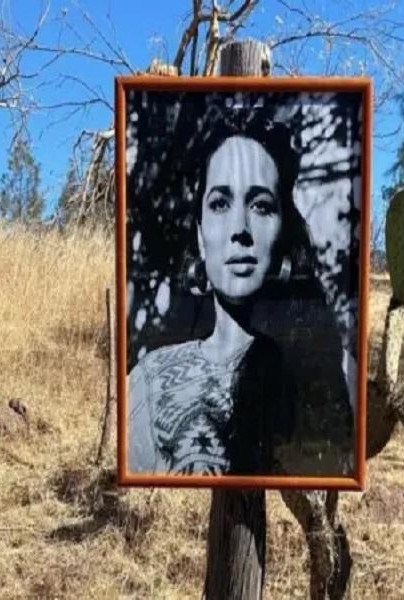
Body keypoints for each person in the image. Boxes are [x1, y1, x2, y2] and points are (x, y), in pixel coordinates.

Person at [128, 115, 355, 477]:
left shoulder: (335, 368)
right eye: (220, 203)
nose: (240, 230)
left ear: (283, 233)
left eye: (261, 205)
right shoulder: (148, 382)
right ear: (200, 236)